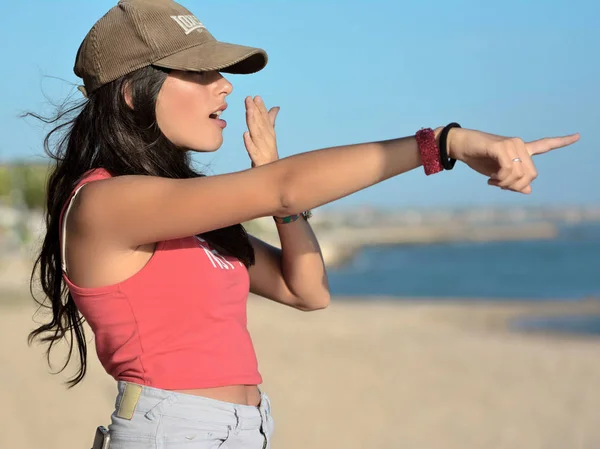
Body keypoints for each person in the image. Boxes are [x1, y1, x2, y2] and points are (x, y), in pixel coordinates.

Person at [26, 0, 579, 448]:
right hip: (173, 433)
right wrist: (443, 144)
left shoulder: (185, 214)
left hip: (246, 430)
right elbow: (288, 185)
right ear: (131, 91)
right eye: (199, 71)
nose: (224, 86)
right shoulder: (106, 203)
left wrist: (274, 191)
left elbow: (306, 289)